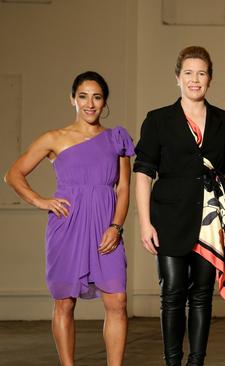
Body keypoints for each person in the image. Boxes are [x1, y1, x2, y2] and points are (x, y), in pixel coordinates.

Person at [4, 71, 132, 366]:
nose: (90, 104)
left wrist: (116, 226)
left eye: (97, 97)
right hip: (68, 226)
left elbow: (123, 188)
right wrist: (41, 200)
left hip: (104, 226)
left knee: (117, 302)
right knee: (64, 303)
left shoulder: (117, 138)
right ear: (73, 99)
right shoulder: (54, 138)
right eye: (83, 96)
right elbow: (13, 174)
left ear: (104, 102)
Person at [134, 46, 225, 366]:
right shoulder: (158, 120)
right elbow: (143, 172)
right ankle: (172, 362)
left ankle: (196, 362)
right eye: (189, 73)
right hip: (168, 218)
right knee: (172, 294)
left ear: (210, 79)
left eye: (202, 73)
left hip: (211, 221)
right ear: (177, 78)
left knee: (201, 296)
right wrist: (144, 222)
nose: (195, 80)